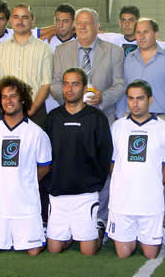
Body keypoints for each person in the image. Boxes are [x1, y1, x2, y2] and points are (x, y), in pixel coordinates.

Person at [50, 8, 123, 230]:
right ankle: (69, 216)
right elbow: (54, 84)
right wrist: (72, 100)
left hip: (102, 117)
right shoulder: (62, 51)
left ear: (97, 26)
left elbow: (120, 84)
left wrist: (103, 97)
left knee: (101, 164)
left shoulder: (114, 51)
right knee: (71, 162)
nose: (82, 27)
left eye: (87, 23)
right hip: (70, 119)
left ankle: (100, 216)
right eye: (78, 23)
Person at [44, 68, 113, 255]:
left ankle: (98, 228)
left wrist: (94, 183)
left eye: (75, 84)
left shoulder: (97, 118)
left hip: (86, 194)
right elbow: (44, 155)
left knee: (88, 251)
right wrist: (51, 183)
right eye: (66, 83)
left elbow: (105, 154)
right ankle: (72, 233)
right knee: (54, 249)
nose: (69, 89)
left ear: (84, 88)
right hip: (58, 194)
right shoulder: (53, 118)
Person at [0, 76, 52, 256]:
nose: (8, 101)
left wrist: (25, 182)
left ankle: (38, 231)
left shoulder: (36, 133)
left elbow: (45, 166)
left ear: (22, 99)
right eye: (4, 97)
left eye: (13, 96)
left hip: (25, 203)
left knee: (34, 251)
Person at [108, 80, 165, 259]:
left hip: (150, 204)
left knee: (151, 255)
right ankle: (132, 235)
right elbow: (112, 163)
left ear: (150, 100)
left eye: (140, 99)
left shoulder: (164, 128)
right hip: (122, 203)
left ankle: (157, 232)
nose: (135, 104)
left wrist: (153, 184)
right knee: (123, 255)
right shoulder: (118, 126)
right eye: (131, 99)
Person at [0, 4, 53, 128]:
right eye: (16, 17)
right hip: (7, 112)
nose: (20, 21)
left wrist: (33, 108)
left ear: (33, 20)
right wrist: (4, 106)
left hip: (35, 113)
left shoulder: (44, 48)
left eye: (25, 17)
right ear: (10, 20)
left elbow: (46, 84)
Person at [117, 18, 165, 123]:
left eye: (146, 32)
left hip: (162, 120)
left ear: (156, 34)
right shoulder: (129, 59)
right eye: (138, 32)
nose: (142, 36)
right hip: (131, 119)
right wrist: (120, 116)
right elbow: (123, 91)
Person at [44, 3, 78, 114]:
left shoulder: (81, 43)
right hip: (50, 98)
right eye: (58, 21)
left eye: (65, 21)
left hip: (75, 96)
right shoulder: (45, 43)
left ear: (73, 22)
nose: (60, 25)